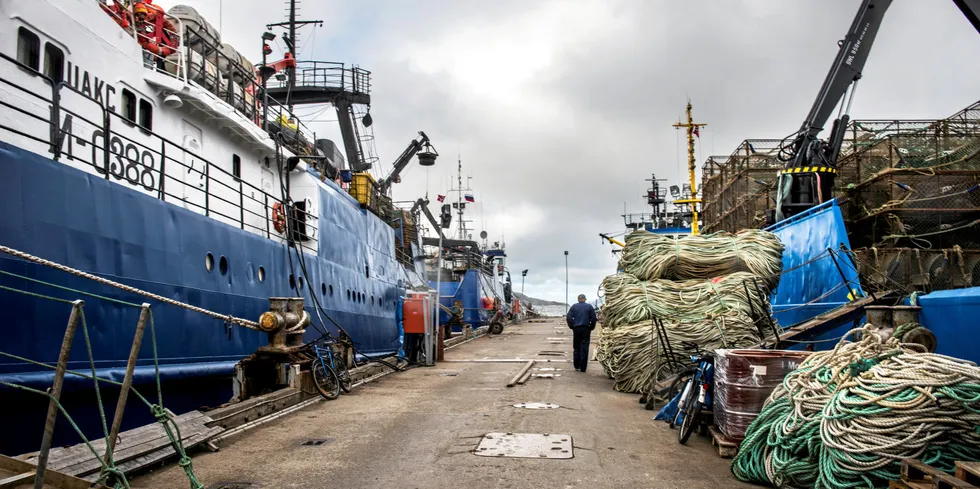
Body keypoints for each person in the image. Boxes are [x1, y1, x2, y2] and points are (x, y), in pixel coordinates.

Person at [566, 294, 597, 372]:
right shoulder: (589, 307)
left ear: (578, 299)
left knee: (576, 348)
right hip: (586, 329)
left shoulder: (574, 306)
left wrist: (572, 326)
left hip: (576, 329)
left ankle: (577, 366)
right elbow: (593, 318)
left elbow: (569, 317)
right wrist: (591, 327)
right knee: (584, 348)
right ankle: (583, 368)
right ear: (584, 299)